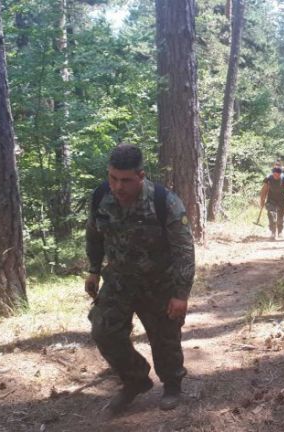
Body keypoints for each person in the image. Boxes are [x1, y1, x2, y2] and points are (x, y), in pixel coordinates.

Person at [85, 144, 195, 413]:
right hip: (119, 281)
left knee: (165, 337)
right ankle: (135, 380)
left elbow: (184, 250)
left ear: (141, 176)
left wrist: (180, 294)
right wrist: (94, 270)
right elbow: (94, 235)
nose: (118, 186)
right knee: (104, 330)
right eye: (113, 178)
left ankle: (172, 384)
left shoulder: (164, 202)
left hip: (159, 283)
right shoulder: (101, 196)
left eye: (125, 180)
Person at [260, 166, 284, 240]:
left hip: (282, 200)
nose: (276, 176)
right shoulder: (268, 178)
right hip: (271, 200)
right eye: (275, 174)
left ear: (280, 174)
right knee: (271, 216)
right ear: (273, 173)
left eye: (278, 175)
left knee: (280, 218)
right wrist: (262, 201)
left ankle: (280, 232)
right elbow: (264, 190)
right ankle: (273, 232)